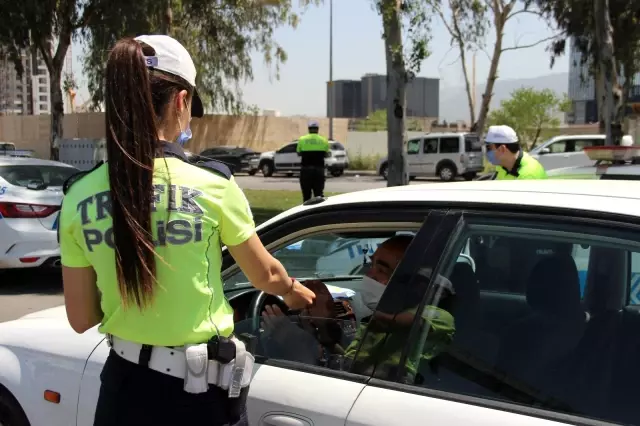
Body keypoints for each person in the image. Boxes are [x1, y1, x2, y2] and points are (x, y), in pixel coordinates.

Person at [58, 35, 315, 426]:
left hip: (122, 391)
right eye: (191, 107)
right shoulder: (212, 184)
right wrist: (296, 294)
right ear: (180, 101)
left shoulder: (78, 195)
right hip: (195, 398)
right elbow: (265, 275)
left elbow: (80, 318)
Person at [261, 235, 455, 382]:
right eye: (372, 265)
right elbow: (350, 364)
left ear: (418, 283)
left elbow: (394, 324)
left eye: (382, 269)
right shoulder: (372, 325)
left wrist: (293, 339)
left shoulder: (437, 317)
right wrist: (323, 329)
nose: (369, 275)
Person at [297, 120, 330, 202]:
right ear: (317, 129)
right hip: (319, 169)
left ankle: (306, 213)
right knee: (319, 195)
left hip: (306, 169)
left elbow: (299, 153)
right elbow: (326, 154)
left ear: (309, 129)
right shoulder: (324, 140)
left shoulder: (302, 139)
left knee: (306, 195)